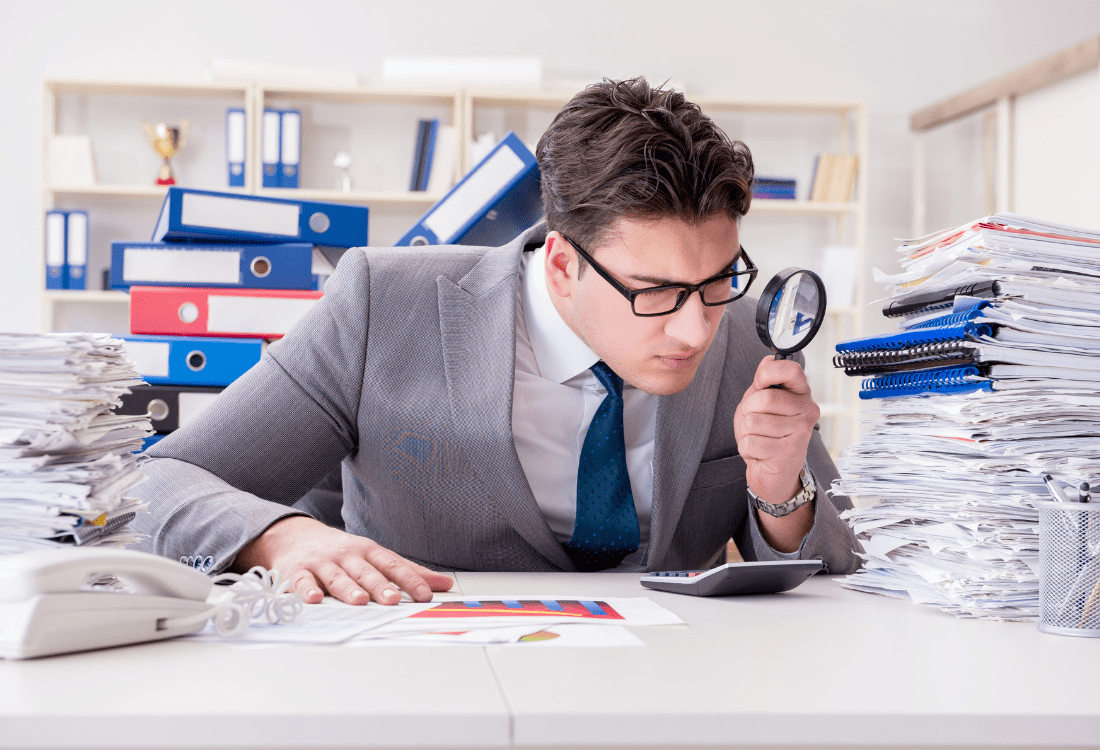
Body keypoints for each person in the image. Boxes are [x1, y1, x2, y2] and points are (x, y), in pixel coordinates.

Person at [131, 77, 859, 605]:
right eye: (656, 292)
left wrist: (777, 493)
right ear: (564, 263)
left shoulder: (742, 332)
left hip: (666, 689)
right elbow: (155, 485)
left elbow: (837, 571)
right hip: (421, 677)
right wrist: (280, 537)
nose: (696, 325)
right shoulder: (382, 305)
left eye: (716, 279)